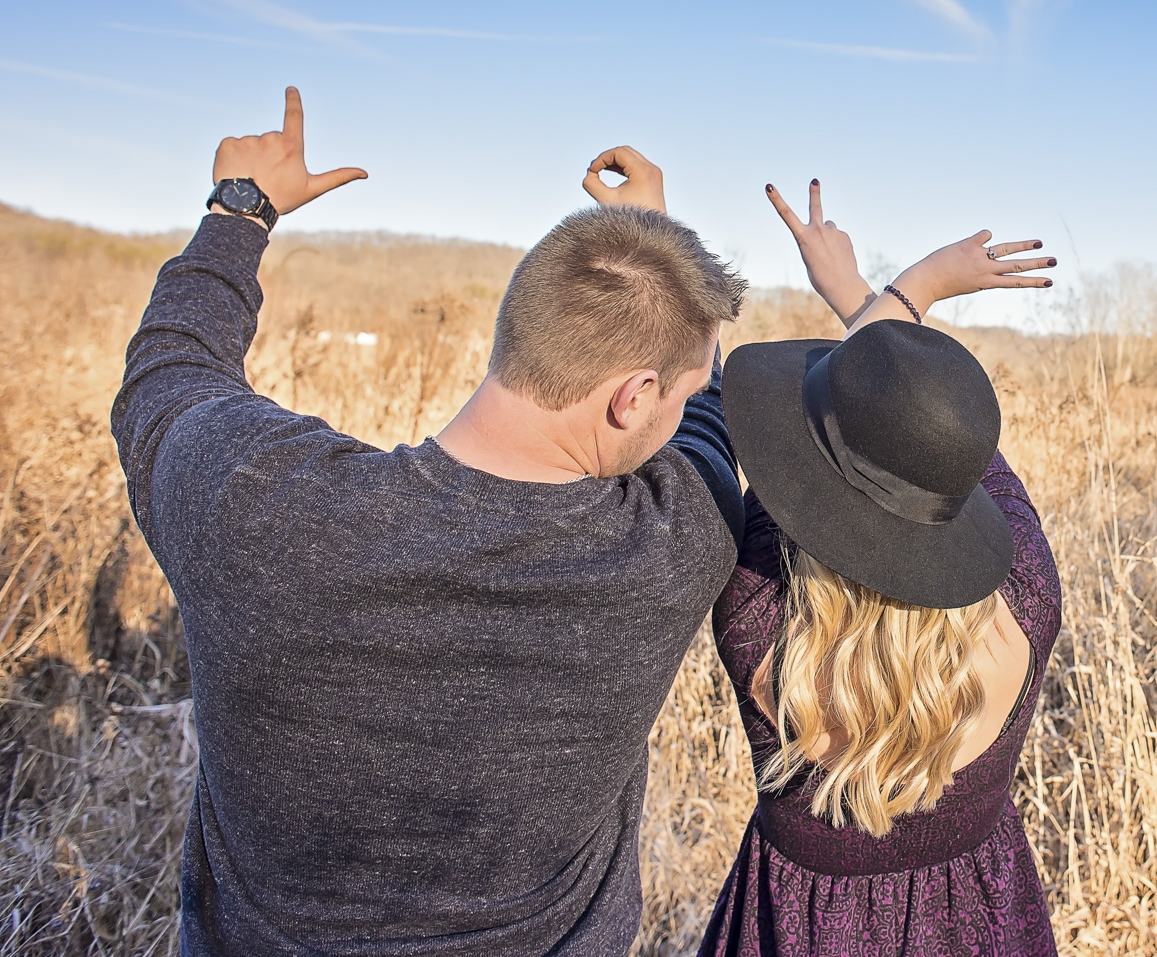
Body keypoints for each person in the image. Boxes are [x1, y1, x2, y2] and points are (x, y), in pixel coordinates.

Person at [112, 87, 747, 955]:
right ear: (635, 399)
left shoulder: (258, 504)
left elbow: (168, 370)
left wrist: (240, 213)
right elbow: (711, 407)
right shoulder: (678, 542)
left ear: (518, 329)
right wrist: (658, 242)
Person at [699, 179, 1062, 955]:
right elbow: (933, 441)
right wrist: (885, 292)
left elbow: (748, 431)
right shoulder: (1029, 589)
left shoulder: (754, 608)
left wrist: (907, 289)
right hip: (981, 926)